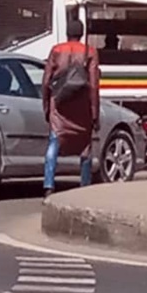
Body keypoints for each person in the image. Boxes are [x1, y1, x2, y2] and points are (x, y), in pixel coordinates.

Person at [42, 18, 100, 199]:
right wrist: (94, 113)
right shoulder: (90, 52)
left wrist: (46, 106)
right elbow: (93, 85)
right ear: (81, 34)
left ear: (67, 33)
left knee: (54, 141)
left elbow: (46, 82)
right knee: (85, 145)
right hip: (81, 105)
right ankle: (84, 184)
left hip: (59, 104)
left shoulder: (57, 50)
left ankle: (49, 185)